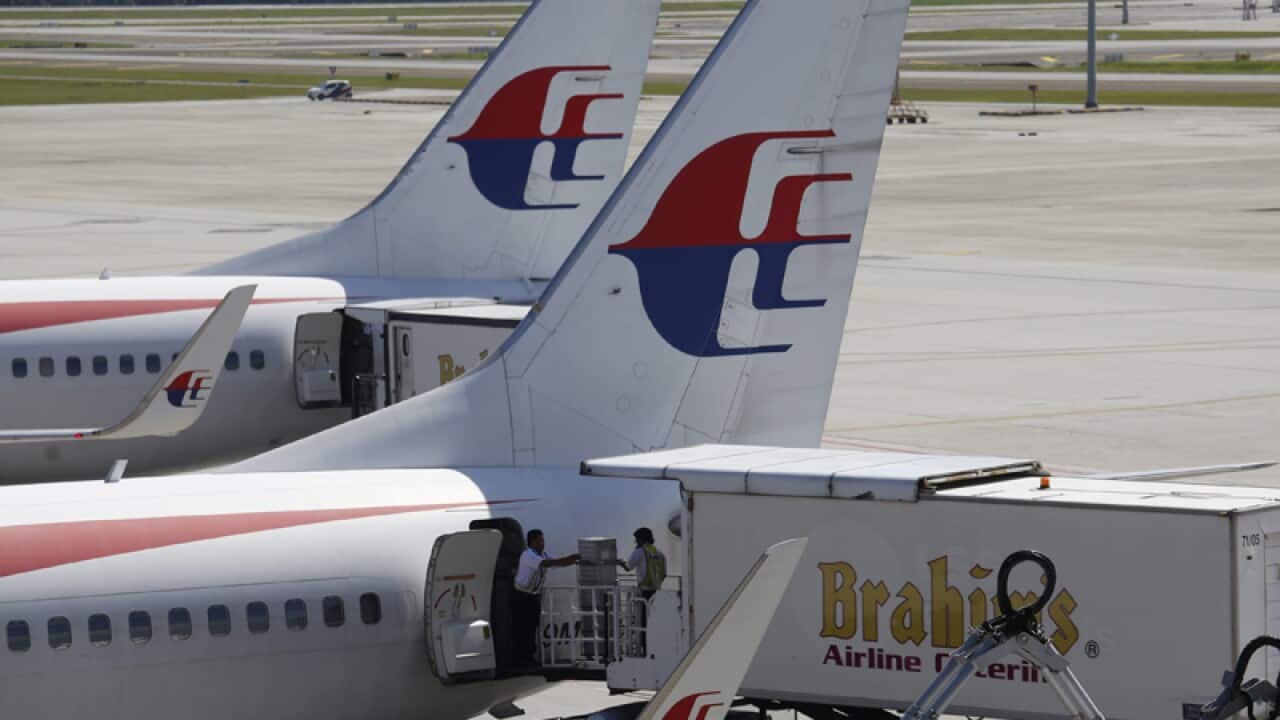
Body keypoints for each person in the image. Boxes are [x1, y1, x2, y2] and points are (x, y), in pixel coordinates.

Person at [512, 528, 579, 668]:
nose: (543, 543)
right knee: (524, 627)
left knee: (532, 626)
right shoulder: (528, 555)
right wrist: (574, 557)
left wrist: (574, 560)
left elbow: (557, 562)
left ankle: (529, 656)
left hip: (534, 595)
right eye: (540, 540)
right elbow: (548, 564)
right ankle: (522, 658)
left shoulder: (542, 554)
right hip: (522, 596)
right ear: (532, 541)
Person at [617, 527, 666, 599]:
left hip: (644, 592)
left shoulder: (639, 551)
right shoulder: (660, 553)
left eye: (636, 540)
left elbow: (628, 567)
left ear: (641, 539)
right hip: (658, 592)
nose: (635, 542)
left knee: (643, 610)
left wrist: (620, 562)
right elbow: (664, 575)